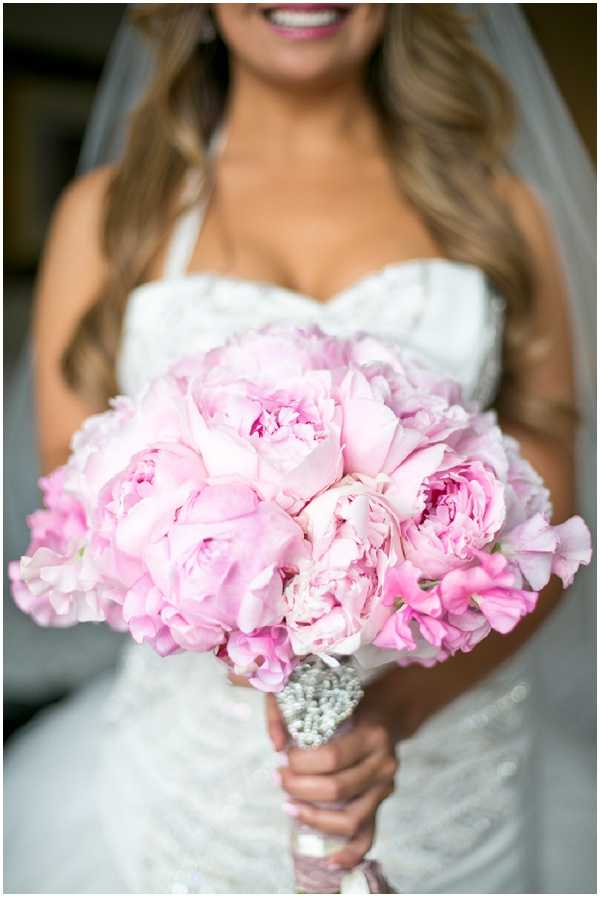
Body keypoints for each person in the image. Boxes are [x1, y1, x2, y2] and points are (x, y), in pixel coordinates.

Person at [4, 4, 593, 893]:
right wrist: (280, 657)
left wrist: (394, 711)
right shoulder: (112, 216)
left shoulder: (501, 213)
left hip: (454, 772)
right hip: (193, 785)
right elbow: (85, 514)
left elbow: (549, 528)